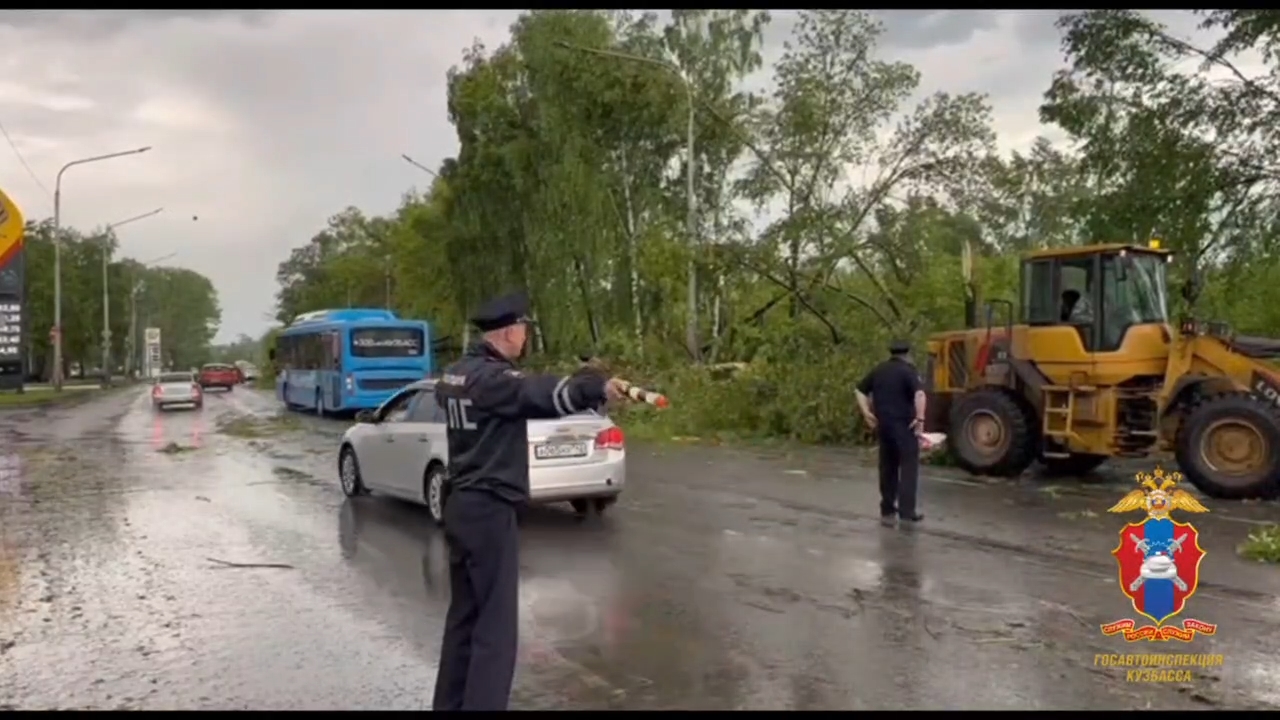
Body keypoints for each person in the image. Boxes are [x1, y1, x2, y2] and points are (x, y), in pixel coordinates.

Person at [431, 291, 627, 711]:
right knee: (496, 629)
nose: (525, 338)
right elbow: (537, 392)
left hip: (460, 505)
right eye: (523, 329)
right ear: (507, 332)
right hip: (489, 507)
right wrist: (596, 387)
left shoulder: (453, 375)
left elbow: (523, 392)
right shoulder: (493, 380)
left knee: (464, 618)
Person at [855, 340, 927, 527]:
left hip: (884, 425)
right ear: (908, 354)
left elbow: (859, 390)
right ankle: (907, 511)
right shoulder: (908, 371)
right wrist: (920, 419)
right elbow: (920, 395)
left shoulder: (879, 370)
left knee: (887, 466)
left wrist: (866, 413)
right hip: (905, 426)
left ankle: (887, 507)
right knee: (908, 466)